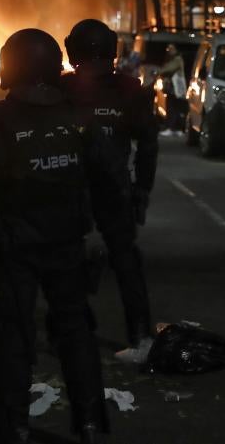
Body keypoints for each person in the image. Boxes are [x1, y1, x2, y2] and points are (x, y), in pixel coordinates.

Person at [0, 28, 133, 444]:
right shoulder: (79, 117)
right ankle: (89, 422)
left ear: (10, 67)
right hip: (69, 245)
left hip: (16, 249)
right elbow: (112, 176)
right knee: (75, 330)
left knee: (15, 334)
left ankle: (12, 426)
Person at [61, 19, 158, 355]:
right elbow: (148, 145)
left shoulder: (62, 89)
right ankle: (140, 333)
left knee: (68, 265)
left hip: (69, 191)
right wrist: (142, 189)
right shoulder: (131, 90)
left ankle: (74, 336)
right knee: (127, 264)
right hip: (115, 190)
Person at [157, 44, 187, 136]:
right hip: (175, 88)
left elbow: (167, 69)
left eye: (171, 48)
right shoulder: (175, 59)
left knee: (172, 107)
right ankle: (177, 129)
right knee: (175, 108)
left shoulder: (177, 59)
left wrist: (158, 71)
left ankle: (171, 128)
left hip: (175, 88)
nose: (169, 50)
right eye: (168, 48)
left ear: (176, 50)